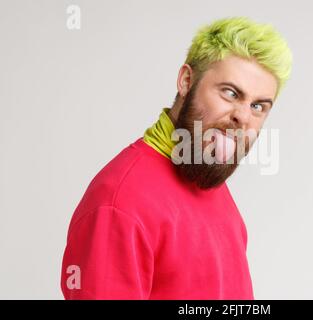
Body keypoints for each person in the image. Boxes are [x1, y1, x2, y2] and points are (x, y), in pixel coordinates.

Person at [61, 16, 292, 299]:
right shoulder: (119, 204)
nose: (242, 117)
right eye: (230, 93)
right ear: (186, 81)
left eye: (258, 106)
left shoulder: (209, 181)